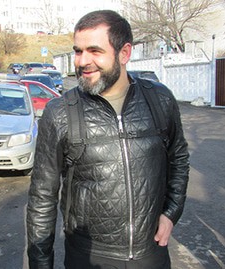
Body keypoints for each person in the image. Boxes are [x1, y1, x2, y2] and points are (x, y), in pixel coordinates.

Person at [26, 10, 190, 269]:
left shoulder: (159, 99)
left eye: (94, 51)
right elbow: (42, 197)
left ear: (124, 53)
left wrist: (171, 212)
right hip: (89, 257)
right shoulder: (60, 113)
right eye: (78, 51)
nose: (82, 61)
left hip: (152, 253)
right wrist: (40, 264)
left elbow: (178, 158)